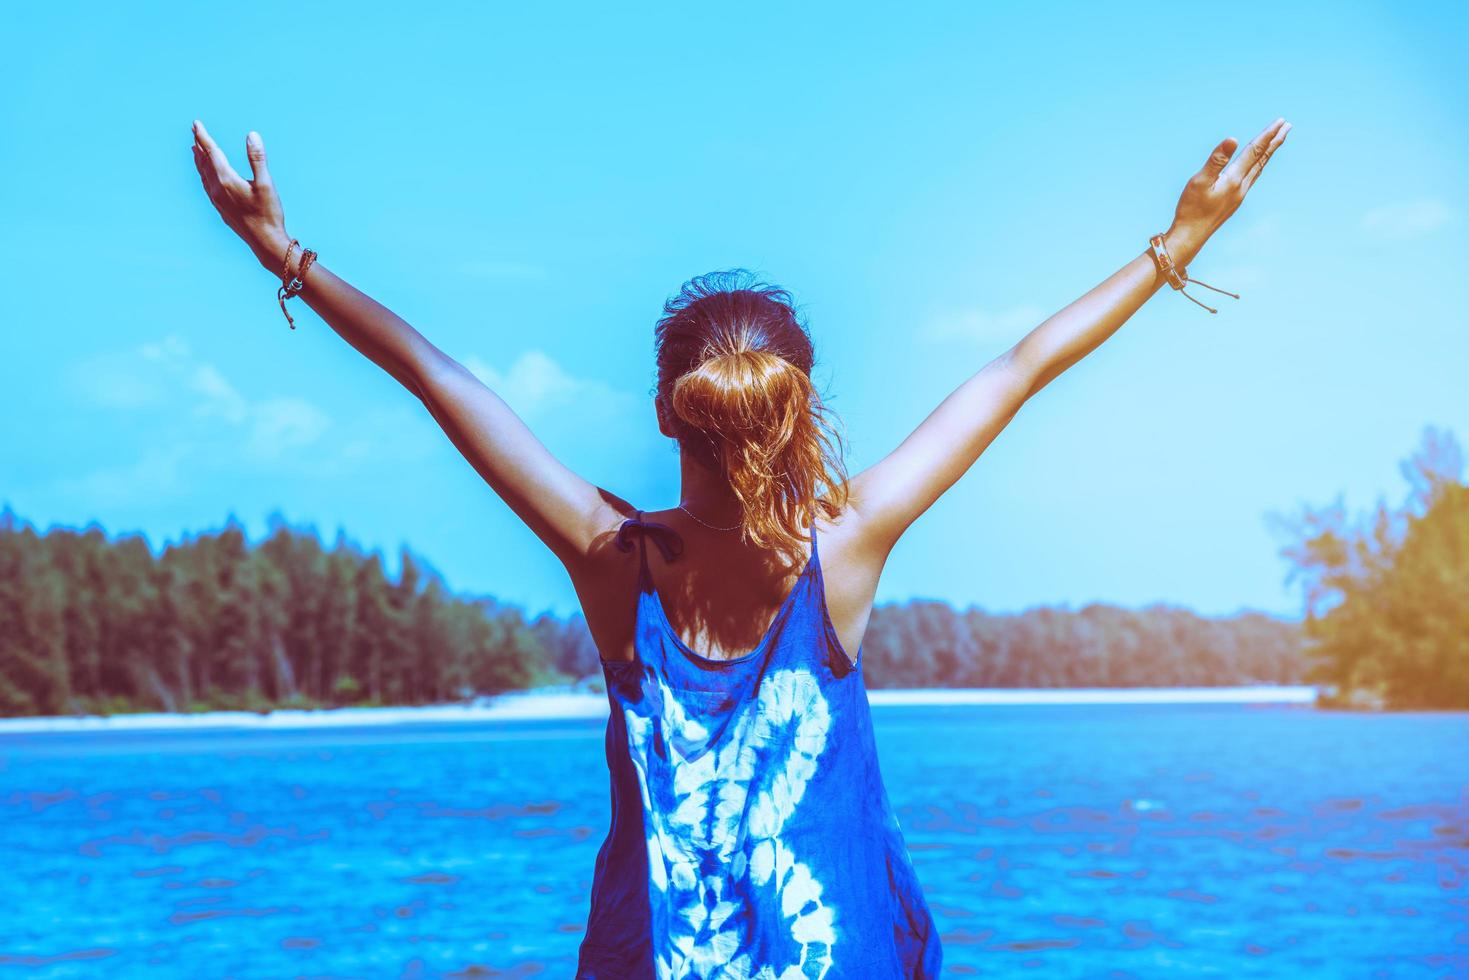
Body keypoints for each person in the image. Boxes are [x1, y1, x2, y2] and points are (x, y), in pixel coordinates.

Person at [190, 115, 1290, 979]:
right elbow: (1016, 369)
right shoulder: (842, 549)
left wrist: (280, 252)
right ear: (796, 409)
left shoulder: (611, 555)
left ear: (667, 411)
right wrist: (1175, 247)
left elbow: (436, 377)